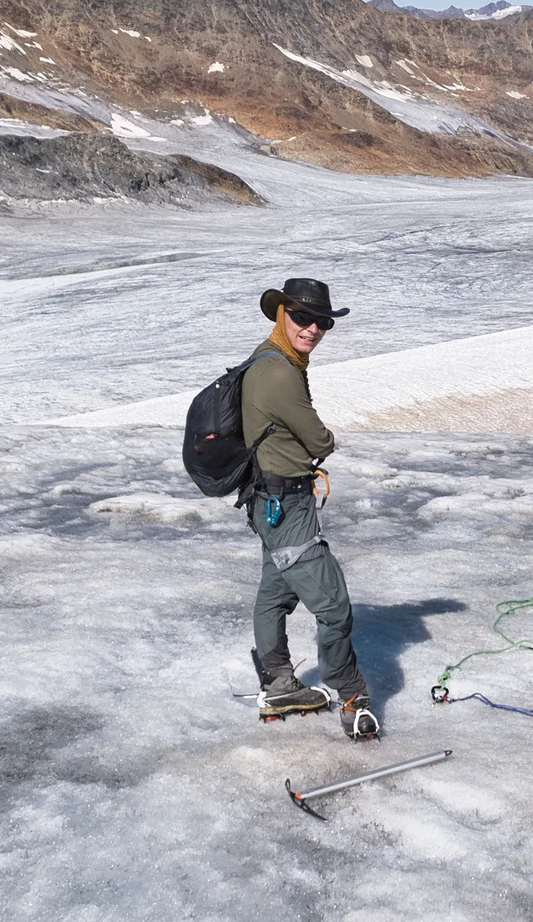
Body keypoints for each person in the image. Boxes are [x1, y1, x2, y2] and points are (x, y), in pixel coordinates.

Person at [243, 277, 377, 740]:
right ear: (282, 314)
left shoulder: (269, 357)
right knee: (333, 604)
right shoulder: (279, 372)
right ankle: (352, 695)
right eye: (303, 317)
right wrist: (322, 442)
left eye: (323, 322)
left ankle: (278, 683)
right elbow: (319, 438)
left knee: (276, 592)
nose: (313, 328)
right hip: (286, 505)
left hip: (269, 500)